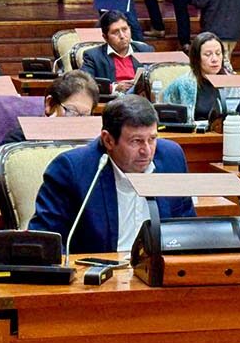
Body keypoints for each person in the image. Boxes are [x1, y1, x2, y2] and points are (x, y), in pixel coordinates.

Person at [29, 94, 196, 253]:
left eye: (152, 139)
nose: (146, 150)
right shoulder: (71, 170)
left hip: (159, 268)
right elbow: (46, 242)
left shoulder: (171, 158)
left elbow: (188, 229)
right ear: (108, 140)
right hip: (100, 270)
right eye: (136, 141)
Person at [0, 70, 100, 145]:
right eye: (71, 111)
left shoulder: (93, 142)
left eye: (85, 116)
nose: (77, 122)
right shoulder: (20, 139)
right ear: (50, 103)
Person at [81, 10, 153, 91]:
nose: (122, 36)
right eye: (115, 32)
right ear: (105, 37)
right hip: (113, 98)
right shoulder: (93, 56)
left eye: (125, 29)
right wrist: (114, 88)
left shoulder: (144, 50)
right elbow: (85, 83)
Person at [162, 32, 227, 122]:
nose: (215, 59)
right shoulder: (183, 83)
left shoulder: (231, 82)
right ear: (196, 58)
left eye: (218, 53)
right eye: (208, 54)